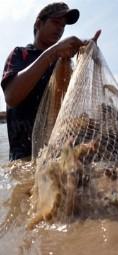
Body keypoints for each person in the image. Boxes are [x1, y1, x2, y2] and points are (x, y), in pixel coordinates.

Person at [1, 2, 100, 160]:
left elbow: (71, 106)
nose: (60, 28)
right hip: (24, 158)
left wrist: (86, 58)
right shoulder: (21, 54)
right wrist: (53, 52)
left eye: (63, 25)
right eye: (55, 22)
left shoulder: (63, 63)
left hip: (56, 154)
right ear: (39, 24)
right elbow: (11, 97)